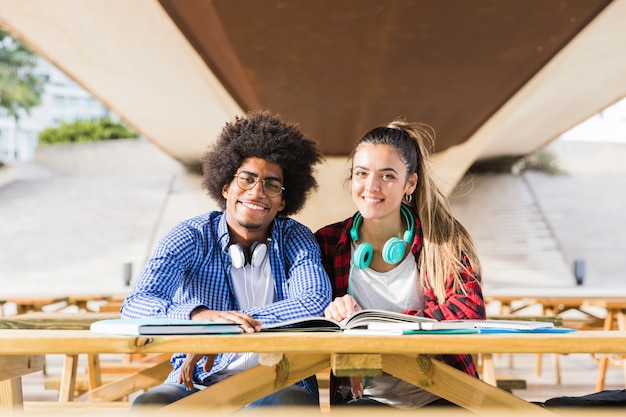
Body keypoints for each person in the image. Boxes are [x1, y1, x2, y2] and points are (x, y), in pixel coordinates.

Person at [122, 110, 332, 408]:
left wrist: (228, 331)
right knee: (148, 406)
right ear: (225, 187)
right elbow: (135, 304)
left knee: (291, 408)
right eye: (246, 179)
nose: (257, 192)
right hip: (195, 381)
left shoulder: (295, 238)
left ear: (283, 201)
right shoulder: (190, 235)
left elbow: (314, 301)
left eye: (272, 184)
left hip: (280, 380)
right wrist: (199, 317)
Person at [315, 118, 485, 408]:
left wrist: (376, 327)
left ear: (411, 183)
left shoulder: (444, 240)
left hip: (445, 395)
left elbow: (470, 312)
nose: (371, 186)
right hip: (366, 400)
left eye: (387, 176)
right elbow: (307, 312)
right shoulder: (328, 243)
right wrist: (331, 312)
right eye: (362, 173)